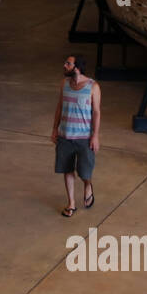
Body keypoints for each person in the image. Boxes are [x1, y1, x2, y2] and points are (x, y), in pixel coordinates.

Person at [50, 54, 100, 217]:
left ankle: (88, 185)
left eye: (68, 63)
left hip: (84, 137)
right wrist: (55, 129)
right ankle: (71, 203)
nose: (64, 65)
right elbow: (59, 106)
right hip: (65, 135)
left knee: (85, 172)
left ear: (76, 67)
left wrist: (95, 136)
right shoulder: (64, 83)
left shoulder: (93, 87)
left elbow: (97, 112)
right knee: (67, 169)